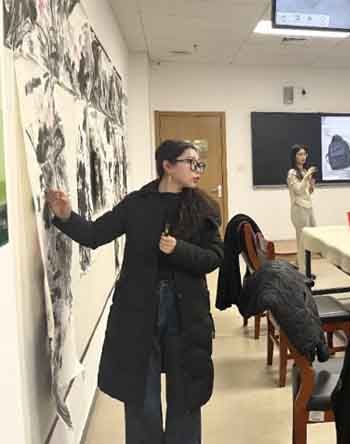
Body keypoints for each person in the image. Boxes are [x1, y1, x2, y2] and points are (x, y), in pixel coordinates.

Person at [46, 140, 223, 444]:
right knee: (142, 394)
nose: (198, 170)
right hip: (138, 309)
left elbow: (214, 257)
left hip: (187, 311)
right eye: (191, 163)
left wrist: (179, 250)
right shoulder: (138, 203)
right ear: (167, 166)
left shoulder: (204, 207)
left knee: (185, 393)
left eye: (200, 164)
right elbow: (95, 234)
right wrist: (66, 216)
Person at [287, 144, 317, 274]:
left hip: (308, 207)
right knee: (302, 240)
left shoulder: (304, 171)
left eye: (304, 154)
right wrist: (307, 176)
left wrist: (311, 185)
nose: (303, 157)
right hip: (298, 209)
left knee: (311, 237)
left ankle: (301, 265)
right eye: (300, 154)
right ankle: (303, 271)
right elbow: (298, 190)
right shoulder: (292, 173)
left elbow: (307, 192)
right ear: (294, 156)